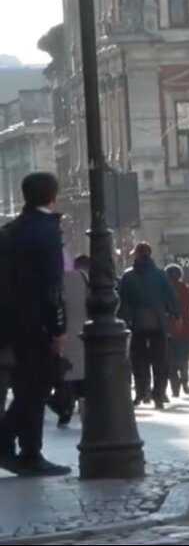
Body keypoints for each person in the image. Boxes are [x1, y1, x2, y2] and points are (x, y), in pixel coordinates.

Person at [0, 172, 70, 476]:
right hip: (36, 323)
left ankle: (26, 450)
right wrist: (57, 328)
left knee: (27, 386)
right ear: (52, 196)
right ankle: (22, 448)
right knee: (38, 386)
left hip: (11, 321)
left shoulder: (12, 230)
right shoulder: (46, 231)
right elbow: (53, 285)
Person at [118, 242, 177, 409]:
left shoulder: (128, 276)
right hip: (158, 322)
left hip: (137, 323)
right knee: (159, 360)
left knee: (138, 359)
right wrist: (173, 312)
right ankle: (158, 393)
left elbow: (122, 301)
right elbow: (170, 296)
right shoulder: (159, 275)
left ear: (136, 255)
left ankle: (141, 391)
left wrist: (125, 318)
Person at [49, 253, 88, 427]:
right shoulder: (83, 277)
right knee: (81, 371)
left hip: (64, 332)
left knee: (64, 374)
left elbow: (55, 306)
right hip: (84, 331)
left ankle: (64, 408)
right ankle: (83, 405)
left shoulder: (56, 282)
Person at [166, 264, 189, 397]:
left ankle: (175, 387)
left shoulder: (166, 291)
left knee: (171, 361)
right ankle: (184, 380)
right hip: (185, 330)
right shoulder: (186, 289)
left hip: (170, 330)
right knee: (184, 359)